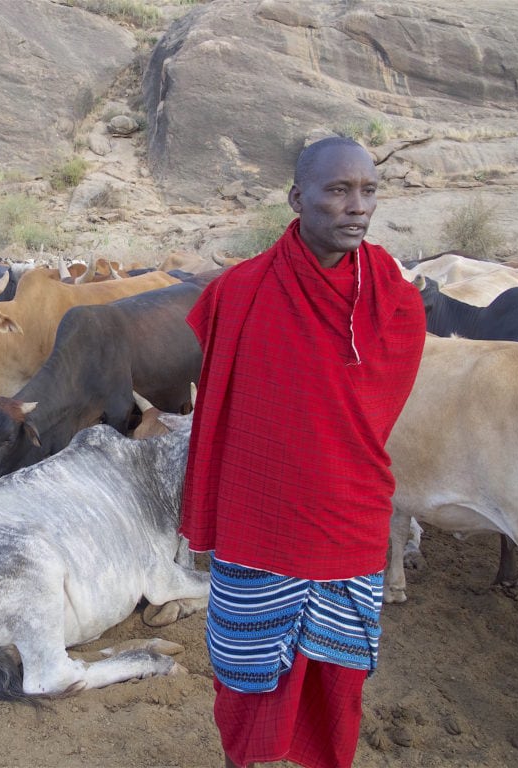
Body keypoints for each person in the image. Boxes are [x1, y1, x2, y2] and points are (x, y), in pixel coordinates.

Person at [179, 136, 426, 768]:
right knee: (243, 679)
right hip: (259, 522)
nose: (356, 207)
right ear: (297, 197)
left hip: (349, 518)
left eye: (368, 191)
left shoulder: (393, 300)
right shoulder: (239, 293)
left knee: (338, 686)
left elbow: (371, 415)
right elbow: (222, 412)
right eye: (338, 190)